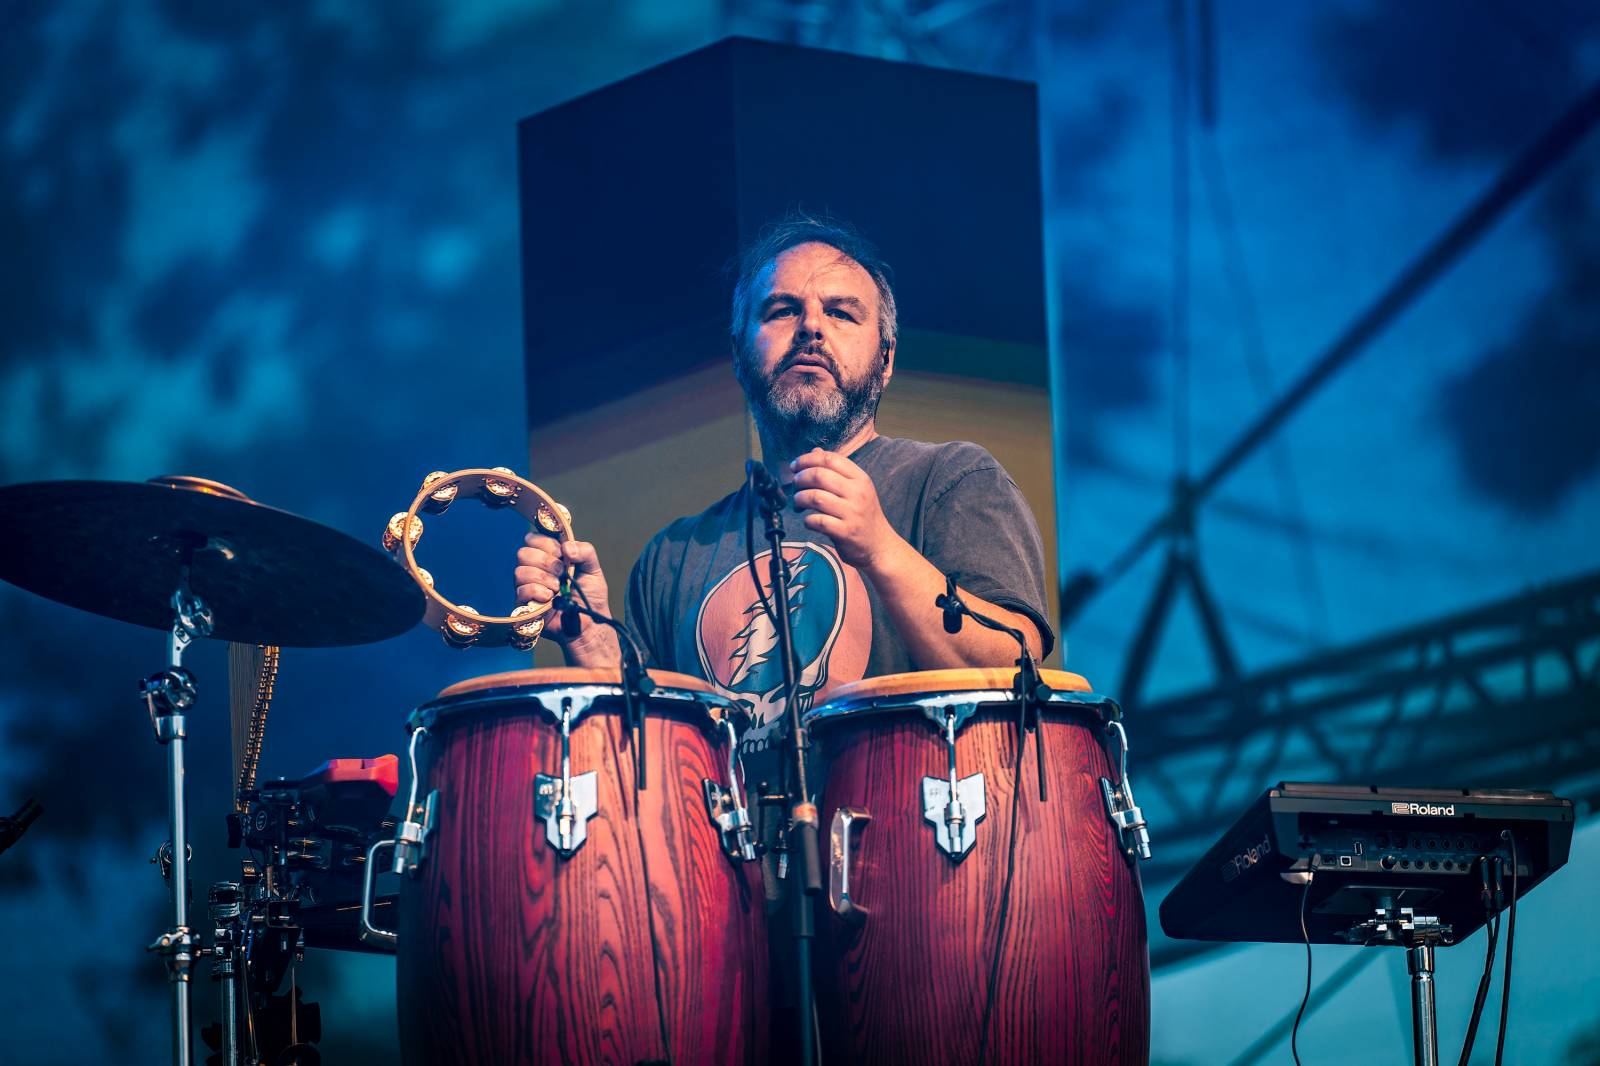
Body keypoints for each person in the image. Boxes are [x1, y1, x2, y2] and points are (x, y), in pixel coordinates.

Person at [513, 213, 1053, 789]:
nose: (812, 329)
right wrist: (592, 642)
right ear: (739, 354)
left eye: (842, 313)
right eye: (782, 310)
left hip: (909, 862)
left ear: (887, 360)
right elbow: (645, 779)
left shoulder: (950, 478)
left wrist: (882, 549)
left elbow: (1012, 674)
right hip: (728, 876)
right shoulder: (672, 555)